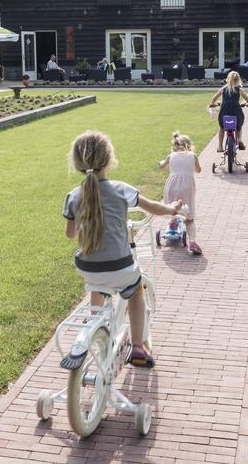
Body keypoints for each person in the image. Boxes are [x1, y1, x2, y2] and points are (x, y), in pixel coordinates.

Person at [63, 131, 182, 368]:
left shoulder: (74, 196)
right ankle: (138, 346)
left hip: (87, 267)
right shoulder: (121, 189)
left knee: (98, 285)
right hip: (120, 265)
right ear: (108, 160)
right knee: (135, 292)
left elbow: (70, 233)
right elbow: (155, 207)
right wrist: (171, 209)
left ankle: (97, 323)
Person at [159, 131, 202, 255]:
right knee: (189, 217)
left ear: (174, 145)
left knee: (173, 207)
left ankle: (173, 223)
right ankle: (192, 241)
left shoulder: (170, 156)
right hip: (187, 186)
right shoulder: (192, 155)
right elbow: (198, 170)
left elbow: (162, 166)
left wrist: (161, 163)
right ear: (189, 145)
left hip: (172, 185)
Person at [209, 71, 248, 151]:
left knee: (222, 127)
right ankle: (240, 139)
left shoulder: (223, 89)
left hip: (224, 111)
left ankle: (220, 146)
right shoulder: (240, 90)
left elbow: (213, 99)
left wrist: (215, 104)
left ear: (228, 79)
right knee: (238, 126)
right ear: (238, 80)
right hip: (236, 111)